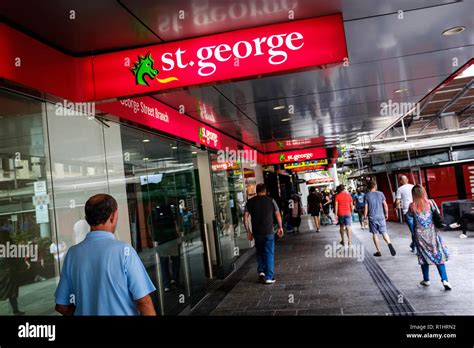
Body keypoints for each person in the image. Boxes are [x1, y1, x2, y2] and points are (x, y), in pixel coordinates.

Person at [55, 194, 157, 315]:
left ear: (87, 219)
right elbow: (144, 302)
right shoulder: (124, 251)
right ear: (113, 216)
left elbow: (61, 306)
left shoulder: (72, 254)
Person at [409, 185, 451, 290]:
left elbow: (408, 217)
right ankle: (445, 280)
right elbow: (438, 215)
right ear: (423, 192)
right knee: (438, 256)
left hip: (420, 236)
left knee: (423, 257)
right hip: (432, 234)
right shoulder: (430, 203)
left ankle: (426, 279)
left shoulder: (412, 206)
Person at [244, 183, 284, 284]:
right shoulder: (271, 200)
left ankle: (261, 271)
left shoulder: (249, 202)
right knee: (269, 253)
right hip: (268, 232)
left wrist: (248, 231)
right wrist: (280, 227)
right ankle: (269, 277)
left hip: (257, 233)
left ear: (257, 191)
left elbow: (245, 218)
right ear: (265, 191)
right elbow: (278, 214)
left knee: (260, 251)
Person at [364, 181, 396, 257]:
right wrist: (386, 213)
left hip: (372, 217)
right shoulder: (381, 193)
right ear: (375, 186)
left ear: (368, 187)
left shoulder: (367, 195)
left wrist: (365, 218)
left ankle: (378, 251)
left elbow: (366, 208)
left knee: (374, 234)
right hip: (381, 216)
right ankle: (389, 243)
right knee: (384, 232)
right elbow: (385, 205)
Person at [0, 230, 24, 315]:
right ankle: (15, 310)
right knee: (12, 293)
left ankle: (16, 310)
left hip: (3, 273)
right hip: (10, 273)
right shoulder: (10, 244)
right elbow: (17, 257)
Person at [395, 175, 415, 252]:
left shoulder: (400, 189)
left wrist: (396, 207)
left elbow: (397, 201)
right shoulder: (413, 187)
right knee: (417, 230)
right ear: (407, 180)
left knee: (413, 231)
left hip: (407, 211)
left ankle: (414, 246)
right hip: (416, 210)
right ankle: (414, 246)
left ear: (400, 181)